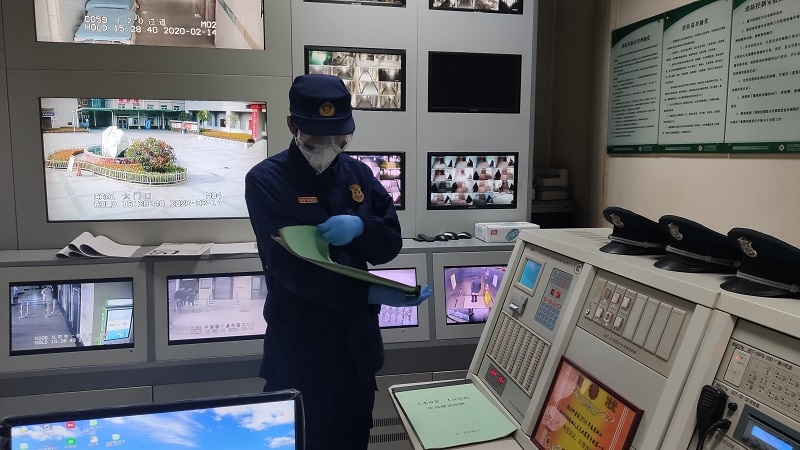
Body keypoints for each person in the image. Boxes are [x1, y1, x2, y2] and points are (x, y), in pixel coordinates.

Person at [244, 74, 431, 450]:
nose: (329, 146)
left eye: (339, 137)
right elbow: (291, 272)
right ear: (292, 125)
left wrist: (361, 228)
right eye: (318, 136)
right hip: (301, 355)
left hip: (356, 352)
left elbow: (388, 244)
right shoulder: (266, 181)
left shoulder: (358, 174)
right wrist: (368, 294)